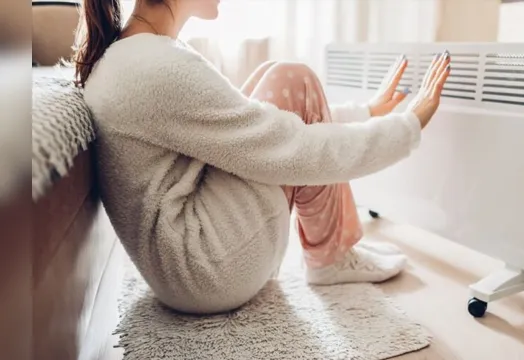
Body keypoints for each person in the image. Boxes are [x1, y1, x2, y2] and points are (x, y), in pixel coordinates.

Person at [74, 0, 451, 314]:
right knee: (292, 79)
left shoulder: (134, 54)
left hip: (181, 268)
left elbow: (243, 125)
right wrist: (407, 127)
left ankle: (333, 249)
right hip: (210, 270)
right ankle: (331, 256)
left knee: (281, 78)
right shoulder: (158, 66)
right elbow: (289, 148)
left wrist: (366, 112)